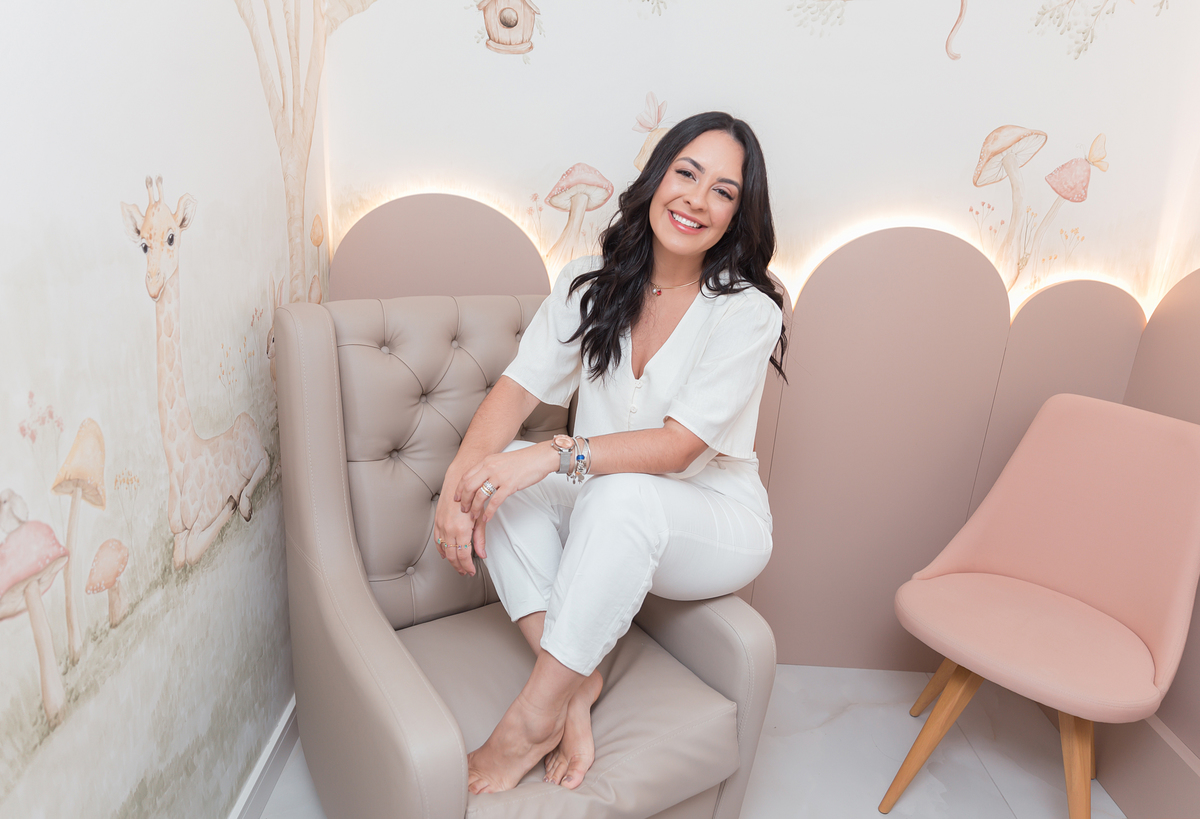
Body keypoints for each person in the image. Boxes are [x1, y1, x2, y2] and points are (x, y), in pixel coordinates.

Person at [432, 111, 788, 795]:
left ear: (737, 216)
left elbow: (678, 448)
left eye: (723, 191)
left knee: (608, 488)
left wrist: (552, 455)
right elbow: (515, 390)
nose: (696, 199)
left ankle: (531, 719)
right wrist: (458, 488)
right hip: (605, 500)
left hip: (715, 518)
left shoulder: (748, 311)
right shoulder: (589, 283)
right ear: (656, 177)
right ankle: (575, 683)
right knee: (497, 472)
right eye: (686, 173)